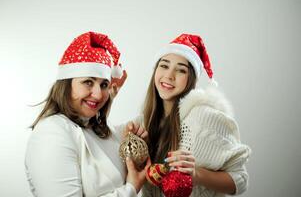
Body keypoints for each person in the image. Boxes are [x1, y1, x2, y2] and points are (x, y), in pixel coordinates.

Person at [25, 31, 149, 197]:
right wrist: (131, 188)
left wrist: (127, 139)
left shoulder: (95, 126)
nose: (98, 94)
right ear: (66, 84)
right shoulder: (51, 133)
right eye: (88, 82)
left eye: (104, 84)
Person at [130, 33, 251, 196]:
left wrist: (196, 174)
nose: (169, 75)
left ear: (191, 78)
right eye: (164, 66)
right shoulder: (144, 122)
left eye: (181, 70)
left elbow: (240, 180)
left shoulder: (204, 118)